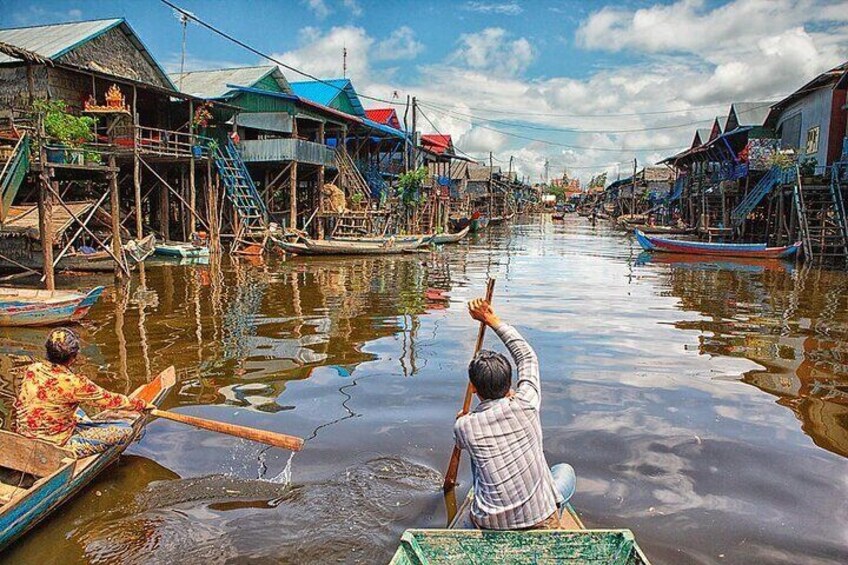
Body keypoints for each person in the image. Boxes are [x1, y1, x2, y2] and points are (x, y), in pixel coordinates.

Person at [454, 298, 576, 530]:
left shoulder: (464, 427)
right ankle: (549, 509)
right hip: (540, 518)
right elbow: (527, 357)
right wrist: (491, 319)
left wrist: (462, 419)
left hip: (489, 522)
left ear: (474, 389)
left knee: (476, 455)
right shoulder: (527, 402)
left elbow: (461, 440)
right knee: (564, 471)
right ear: (509, 384)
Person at [14, 328, 154, 458]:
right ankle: (71, 451)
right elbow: (110, 400)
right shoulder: (75, 383)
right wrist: (141, 405)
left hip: (25, 434)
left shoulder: (33, 368)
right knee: (125, 430)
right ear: (73, 357)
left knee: (76, 410)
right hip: (55, 444)